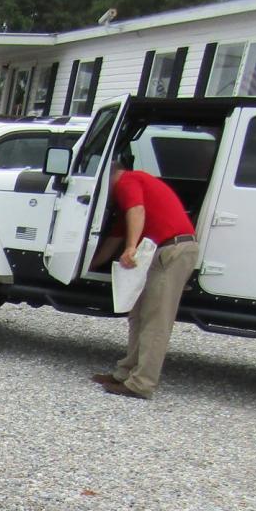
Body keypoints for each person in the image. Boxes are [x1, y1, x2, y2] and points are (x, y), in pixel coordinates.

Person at [89, 150, 200, 400]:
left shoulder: (128, 181)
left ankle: (142, 383)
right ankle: (125, 372)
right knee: (138, 315)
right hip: (163, 251)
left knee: (156, 320)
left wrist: (130, 248)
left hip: (172, 250)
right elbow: (115, 237)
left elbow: (137, 211)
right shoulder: (126, 199)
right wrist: (90, 266)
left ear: (109, 176)